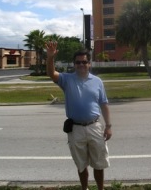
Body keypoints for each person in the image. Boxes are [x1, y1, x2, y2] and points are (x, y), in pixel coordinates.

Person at [45, 41, 112, 190]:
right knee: (81, 165)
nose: (81, 64)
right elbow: (51, 73)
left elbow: (104, 104)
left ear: (89, 63)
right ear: (74, 64)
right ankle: (85, 188)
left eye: (84, 62)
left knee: (99, 164)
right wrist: (50, 58)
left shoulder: (97, 82)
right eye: (78, 62)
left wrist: (108, 126)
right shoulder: (67, 80)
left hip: (95, 126)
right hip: (76, 129)